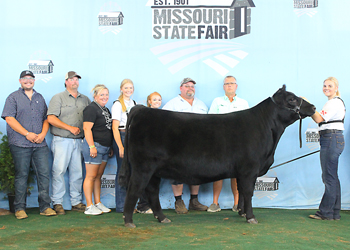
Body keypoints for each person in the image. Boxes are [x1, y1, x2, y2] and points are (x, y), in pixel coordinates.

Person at [1, 70, 56, 219]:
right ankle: (19, 208)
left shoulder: (39, 97)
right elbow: (9, 119)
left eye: (30, 78)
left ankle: (45, 207)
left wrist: (43, 134)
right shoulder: (13, 97)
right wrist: (27, 134)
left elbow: (46, 118)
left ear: (34, 80)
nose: (28, 80)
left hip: (40, 144)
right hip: (20, 143)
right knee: (21, 175)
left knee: (44, 175)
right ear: (20, 81)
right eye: (25, 78)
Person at [163, 77, 208, 214]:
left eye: (192, 86)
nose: (190, 88)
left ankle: (194, 201)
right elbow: (163, 124)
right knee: (177, 171)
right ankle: (178, 201)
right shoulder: (172, 104)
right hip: (178, 144)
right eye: (187, 86)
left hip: (198, 144)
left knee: (197, 170)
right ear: (181, 88)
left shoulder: (201, 105)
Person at [47, 71, 90, 215]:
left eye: (76, 79)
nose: (74, 81)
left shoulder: (85, 99)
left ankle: (76, 202)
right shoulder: (58, 98)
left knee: (77, 172)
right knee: (59, 171)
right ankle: (57, 202)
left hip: (79, 141)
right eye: (71, 79)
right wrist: (69, 128)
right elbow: (51, 118)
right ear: (66, 81)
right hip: (62, 139)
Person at [207, 76, 249, 213]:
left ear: (236, 86)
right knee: (217, 172)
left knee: (237, 173)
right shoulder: (217, 101)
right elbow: (210, 121)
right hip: (220, 142)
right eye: (227, 84)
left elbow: (247, 125)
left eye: (231, 83)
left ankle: (237, 204)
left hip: (238, 143)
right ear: (223, 87)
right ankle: (215, 203)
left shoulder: (243, 103)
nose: (229, 86)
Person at [111, 79, 152, 214]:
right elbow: (115, 128)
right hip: (122, 136)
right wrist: (121, 147)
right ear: (121, 89)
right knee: (122, 171)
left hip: (133, 136)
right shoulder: (117, 105)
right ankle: (121, 206)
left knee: (133, 172)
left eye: (131, 88)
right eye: (126, 88)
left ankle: (132, 205)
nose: (129, 90)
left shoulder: (134, 104)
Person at [309, 77, 345, 221]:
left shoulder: (334, 102)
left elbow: (318, 119)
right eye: (324, 86)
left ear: (336, 88)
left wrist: (307, 107)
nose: (326, 88)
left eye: (330, 86)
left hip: (330, 139)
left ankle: (326, 212)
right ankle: (334, 212)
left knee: (329, 177)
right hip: (333, 139)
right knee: (332, 177)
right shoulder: (334, 102)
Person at [82, 84, 113, 215]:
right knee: (90, 176)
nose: (104, 97)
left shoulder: (105, 109)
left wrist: (110, 146)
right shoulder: (91, 109)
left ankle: (97, 202)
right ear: (95, 96)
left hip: (105, 147)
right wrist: (92, 146)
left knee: (98, 176)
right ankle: (89, 206)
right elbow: (87, 128)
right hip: (95, 146)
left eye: (106, 94)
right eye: (101, 95)